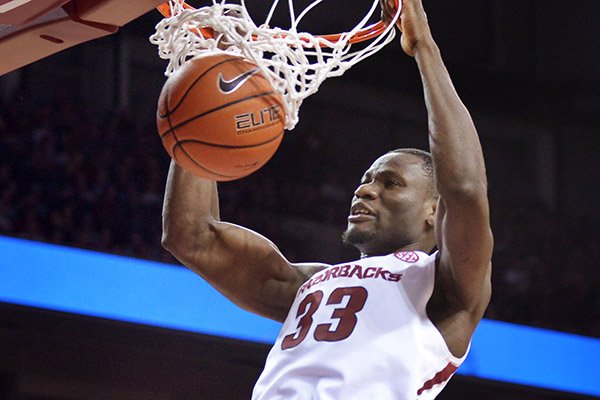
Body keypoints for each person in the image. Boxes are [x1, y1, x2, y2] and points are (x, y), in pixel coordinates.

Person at [160, 0, 493, 398]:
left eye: (390, 184)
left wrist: (424, 47)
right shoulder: (310, 283)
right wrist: (205, 118)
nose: (365, 189)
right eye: (367, 180)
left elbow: (465, 190)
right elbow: (191, 236)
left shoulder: (445, 288)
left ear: (433, 211)